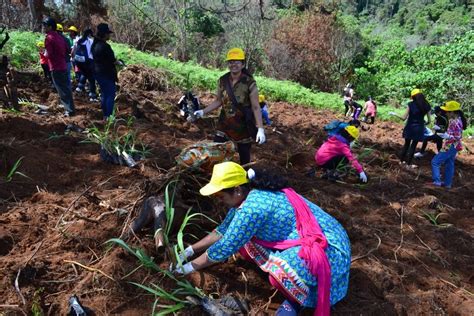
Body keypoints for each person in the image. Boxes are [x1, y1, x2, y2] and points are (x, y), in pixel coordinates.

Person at [172, 162, 351, 316]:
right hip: (315, 235)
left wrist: (188, 267)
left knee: (281, 275)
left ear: (236, 190)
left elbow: (226, 246)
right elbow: (222, 231)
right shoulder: (249, 195)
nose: (219, 200)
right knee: (246, 241)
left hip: (329, 249)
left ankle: (296, 300)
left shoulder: (252, 209)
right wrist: (189, 250)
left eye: (220, 195)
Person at [192, 48, 265, 165]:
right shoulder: (223, 80)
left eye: (237, 61)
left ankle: (244, 180)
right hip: (224, 124)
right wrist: (203, 111)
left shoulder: (249, 83)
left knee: (244, 157)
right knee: (217, 151)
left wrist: (260, 129)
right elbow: (218, 101)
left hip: (243, 126)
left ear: (242, 64)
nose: (233, 64)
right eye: (231, 62)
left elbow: (256, 107)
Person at [390, 89, 431, 168]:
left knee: (406, 145)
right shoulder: (427, 105)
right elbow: (429, 121)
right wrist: (423, 123)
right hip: (419, 128)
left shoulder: (411, 104)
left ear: (413, 97)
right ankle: (408, 164)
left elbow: (403, 118)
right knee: (413, 146)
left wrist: (395, 114)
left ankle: (401, 162)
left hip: (410, 127)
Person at [42, 17, 75, 116]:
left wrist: (44, 55)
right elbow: (68, 50)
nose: (44, 28)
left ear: (50, 27)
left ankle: (69, 111)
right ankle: (70, 108)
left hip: (55, 67)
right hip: (64, 65)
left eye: (45, 26)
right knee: (66, 88)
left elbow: (49, 54)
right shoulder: (61, 37)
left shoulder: (48, 38)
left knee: (61, 89)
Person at [430, 101, 467, 188]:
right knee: (449, 163)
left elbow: (457, 136)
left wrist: (447, 136)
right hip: (454, 146)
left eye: (448, 111)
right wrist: (440, 129)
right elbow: (452, 132)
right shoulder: (454, 120)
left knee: (435, 162)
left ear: (453, 112)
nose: (446, 113)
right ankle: (447, 184)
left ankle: (437, 182)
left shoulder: (456, 122)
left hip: (451, 145)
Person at [91, 23, 122, 119]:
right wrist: (119, 63)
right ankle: (108, 116)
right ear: (104, 34)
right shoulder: (105, 46)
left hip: (98, 73)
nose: (109, 35)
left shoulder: (94, 45)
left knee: (104, 94)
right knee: (110, 94)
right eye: (108, 33)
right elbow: (112, 60)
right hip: (107, 74)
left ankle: (105, 115)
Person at [73, 28, 98, 101]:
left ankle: (79, 88)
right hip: (87, 61)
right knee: (92, 78)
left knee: (84, 73)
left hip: (78, 61)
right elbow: (93, 52)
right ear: (90, 34)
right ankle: (92, 95)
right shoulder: (90, 41)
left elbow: (74, 50)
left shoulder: (79, 40)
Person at [56, 23, 73, 90]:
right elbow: (69, 51)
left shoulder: (55, 39)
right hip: (67, 61)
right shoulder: (66, 39)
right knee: (67, 78)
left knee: (59, 79)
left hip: (59, 62)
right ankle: (68, 91)